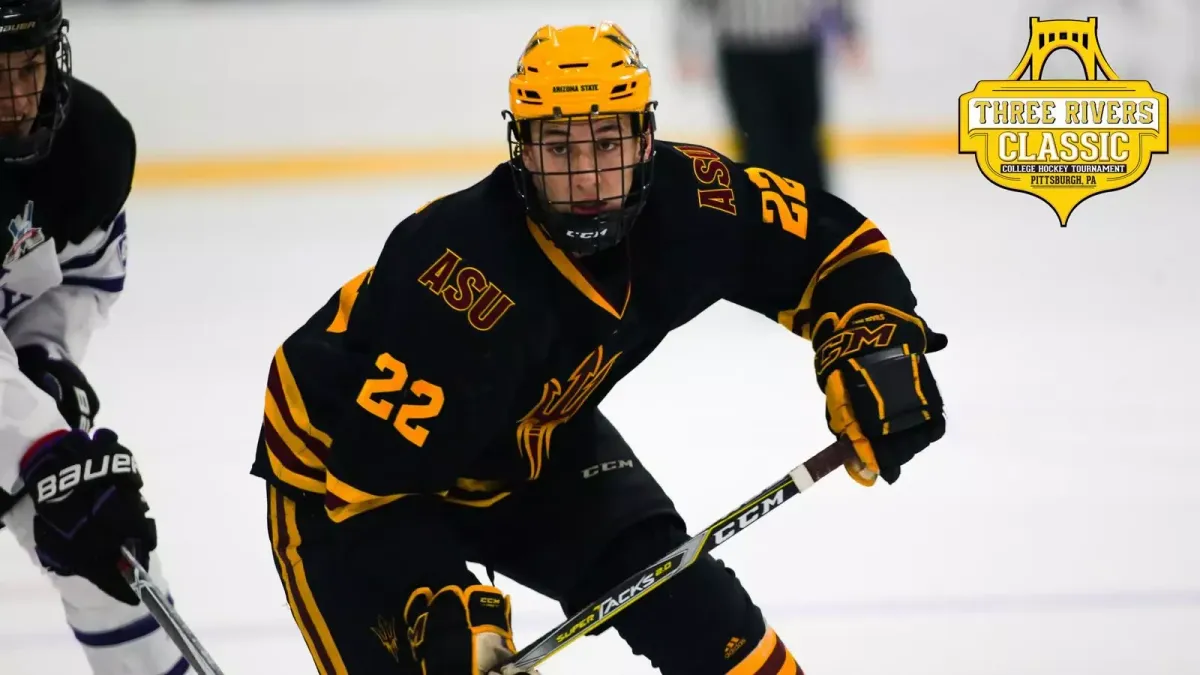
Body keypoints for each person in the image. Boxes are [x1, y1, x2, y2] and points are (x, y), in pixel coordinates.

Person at [252, 21, 946, 675]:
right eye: (559, 149)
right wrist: (436, 600)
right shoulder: (457, 275)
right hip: (343, 479)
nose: (585, 178)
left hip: (536, 440)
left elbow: (835, 248)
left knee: (713, 629)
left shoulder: (695, 202)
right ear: (521, 148)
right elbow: (372, 486)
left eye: (607, 144)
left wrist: (874, 348)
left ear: (646, 139)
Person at [0, 2, 186, 674]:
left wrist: (44, 355)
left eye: (29, 66)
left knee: (105, 553)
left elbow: (72, 278)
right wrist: (41, 446)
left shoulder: (87, 148)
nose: (19, 100)